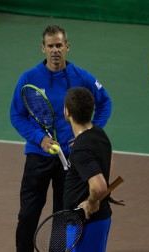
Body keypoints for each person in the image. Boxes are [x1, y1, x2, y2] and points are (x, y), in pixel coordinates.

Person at [10, 24, 112, 252]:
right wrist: (40, 139)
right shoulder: (29, 78)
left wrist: (87, 134)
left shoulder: (81, 77)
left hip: (69, 160)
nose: (55, 50)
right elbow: (16, 115)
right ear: (42, 48)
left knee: (63, 215)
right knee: (28, 214)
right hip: (39, 156)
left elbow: (105, 103)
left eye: (59, 45)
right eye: (50, 46)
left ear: (67, 46)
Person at [63, 87, 113, 252]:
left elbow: (99, 186)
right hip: (99, 220)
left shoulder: (81, 149)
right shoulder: (99, 134)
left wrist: (92, 201)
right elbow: (103, 167)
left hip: (84, 223)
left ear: (66, 112)